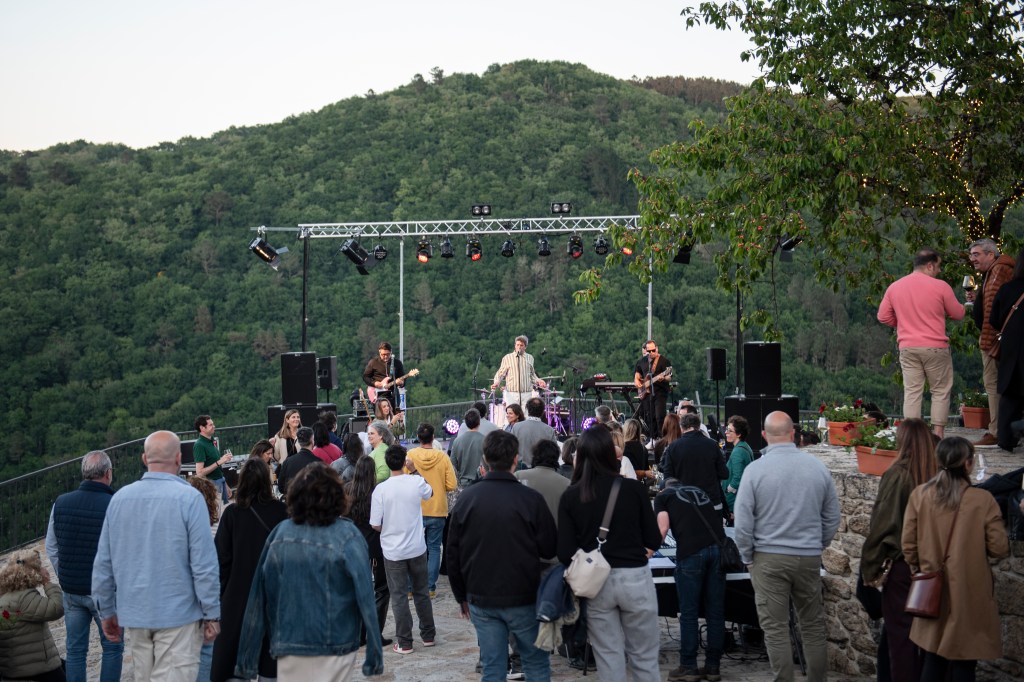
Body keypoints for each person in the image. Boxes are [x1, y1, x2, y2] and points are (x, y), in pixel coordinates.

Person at [92, 430, 220, 682]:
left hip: (136, 614)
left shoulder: (119, 499)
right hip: (179, 614)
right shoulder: (190, 499)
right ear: (178, 458)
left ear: (144, 458)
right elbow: (204, 565)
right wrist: (211, 612)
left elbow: (103, 564)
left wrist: (106, 611)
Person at [236, 464, 384, 681]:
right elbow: (365, 595)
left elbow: (259, 596)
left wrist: (247, 658)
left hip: (290, 640)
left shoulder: (281, 534)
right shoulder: (348, 535)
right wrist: (374, 652)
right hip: (337, 641)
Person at [733, 412, 840, 682]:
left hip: (768, 557)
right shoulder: (816, 468)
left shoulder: (755, 470)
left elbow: (743, 522)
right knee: (813, 625)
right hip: (807, 556)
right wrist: (818, 544)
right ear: (793, 434)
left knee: (775, 628)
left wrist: (748, 557)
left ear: (764, 435)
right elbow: (832, 516)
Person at [448, 430, 558, 682]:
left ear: (485, 458)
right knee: (536, 665)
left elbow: (453, 552)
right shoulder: (531, 499)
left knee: (492, 667)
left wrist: (460, 595)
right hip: (524, 594)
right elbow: (550, 548)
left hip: (481, 595)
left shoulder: (467, 499)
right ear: (515, 459)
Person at [557, 426, 662, 681]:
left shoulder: (571, 496)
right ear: (610, 454)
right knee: (645, 657)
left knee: (608, 657)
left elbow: (564, 552)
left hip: (596, 583)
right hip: (634, 575)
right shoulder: (633, 490)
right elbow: (652, 539)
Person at [902, 436, 1009, 681]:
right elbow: (999, 548)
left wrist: (922, 567)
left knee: (932, 659)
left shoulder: (920, 495)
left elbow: (908, 546)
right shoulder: (982, 501)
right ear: (968, 464)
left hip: (931, 590)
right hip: (970, 593)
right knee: (964, 663)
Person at [861, 418, 937, 682]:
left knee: (901, 644)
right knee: (927, 644)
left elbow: (883, 525)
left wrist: (869, 569)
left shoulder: (899, 474)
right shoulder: (938, 473)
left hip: (905, 567)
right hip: (936, 569)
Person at [44, 450, 123, 682]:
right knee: (113, 647)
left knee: (76, 651)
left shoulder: (61, 502)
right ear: (108, 474)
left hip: (72, 591)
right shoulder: (115, 504)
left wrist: (64, 575)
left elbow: (51, 546)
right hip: (106, 593)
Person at [211, 457, 289, 682]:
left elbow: (221, 561)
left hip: (239, 597)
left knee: (235, 663)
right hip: (273, 596)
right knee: (271, 664)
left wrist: (218, 599)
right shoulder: (282, 512)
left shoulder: (232, 514)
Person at [877, 248, 966, 437]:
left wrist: (903, 323)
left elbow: (883, 316)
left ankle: (913, 438)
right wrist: (967, 305)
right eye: (938, 266)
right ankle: (938, 435)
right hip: (935, 348)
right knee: (940, 391)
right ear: (930, 265)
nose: (939, 271)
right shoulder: (941, 286)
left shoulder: (895, 287)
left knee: (912, 392)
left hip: (908, 347)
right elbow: (957, 314)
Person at [655, 478, 726, 682]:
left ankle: (688, 666)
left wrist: (648, 551)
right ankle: (713, 667)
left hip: (691, 554)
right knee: (716, 613)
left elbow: (663, 529)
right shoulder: (699, 490)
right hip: (717, 551)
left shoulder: (663, 497)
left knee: (689, 613)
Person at [370, 444, 436, 654]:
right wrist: (414, 470)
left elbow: (375, 524)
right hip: (416, 547)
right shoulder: (416, 481)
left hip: (393, 550)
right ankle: (428, 635)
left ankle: (405, 641)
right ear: (404, 461)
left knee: (398, 595)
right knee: (421, 592)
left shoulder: (381, 489)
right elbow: (430, 492)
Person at [966, 238, 1016, 447]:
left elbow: (991, 313)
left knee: (993, 384)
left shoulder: (998, 271)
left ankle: (996, 430)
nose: (972, 259)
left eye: (976, 254)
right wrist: (978, 297)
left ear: (990, 254)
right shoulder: (996, 271)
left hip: (993, 340)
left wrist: (988, 341)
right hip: (1001, 339)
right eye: (971, 255)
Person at [344, 457, 392, 648]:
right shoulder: (377, 492)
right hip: (375, 546)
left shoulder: (348, 490)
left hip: (355, 546)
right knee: (381, 590)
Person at [406, 422, 457, 597]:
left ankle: (411, 588)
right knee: (434, 548)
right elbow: (452, 484)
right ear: (433, 438)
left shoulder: (410, 455)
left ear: (418, 438)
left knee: (413, 548)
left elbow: (404, 481)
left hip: (416, 509)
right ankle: (430, 587)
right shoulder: (442, 457)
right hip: (437, 509)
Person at [0, 550, 65, 682]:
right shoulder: (24, 597)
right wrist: (47, 582)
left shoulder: (5, 596)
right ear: (33, 572)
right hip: (36, 667)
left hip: (13, 668)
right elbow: (57, 608)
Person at [989, 247, 1024, 451]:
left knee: (1009, 396)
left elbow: (994, 320)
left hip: (1011, 349)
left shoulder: (1007, 289)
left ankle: (1006, 438)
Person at [189, 475, 221, 682]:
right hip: (208, 599)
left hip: (184, 600)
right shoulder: (216, 531)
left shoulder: (183, 530)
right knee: (207, 652)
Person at [663, 413, 728, 512]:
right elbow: (724, 473)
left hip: (684, 502)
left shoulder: (673, 447)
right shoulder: (712, 445)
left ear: (682, 427)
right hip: (711, 502)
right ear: (699, 426)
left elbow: (668, 478)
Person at [515, 439, 570, 533]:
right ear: (556, 457)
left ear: (535, 456)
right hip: (555, 538)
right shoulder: (567, 484)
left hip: (525, 536)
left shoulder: (519, 476)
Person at [491, 335, 547, 414]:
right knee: (511, 417)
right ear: (515, 345)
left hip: (526, 394)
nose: (519, 347)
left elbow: (532, 375)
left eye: (521, 345)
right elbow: (501, 373)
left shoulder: (530, 358)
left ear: (525, 347)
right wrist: (497, 382)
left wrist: (538, 381)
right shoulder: (507, 358)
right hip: (512, 394)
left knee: (526, 417)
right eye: (517, 345)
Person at [633, 339, 673, 438]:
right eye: (649, 351)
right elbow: (637, 375)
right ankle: (653, 438)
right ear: (646, 350)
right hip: (646, 394)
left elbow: (669, 377)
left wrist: (663, 377)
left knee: (660, 416)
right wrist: (637, 381)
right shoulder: (642, 361)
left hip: (660, 392)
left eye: (653, 350)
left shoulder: (664, 361)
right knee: (649, 417)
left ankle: (662, 438)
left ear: (657, 348)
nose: (651, 353)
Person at [193, 414, 233, 503]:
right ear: (202, 428)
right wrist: (219, 462)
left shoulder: (211, 441)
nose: (214, 426)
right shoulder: (199, 445)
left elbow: (218, 469)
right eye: (211, 425)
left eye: (213, 424)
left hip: (220, 482)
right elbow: (199, 473)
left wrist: (225, 484)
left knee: (221, 515)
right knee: (215, 515)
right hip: (211, 485)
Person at [721, 415, 753, 521]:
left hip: (733, 502)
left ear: (738, 434)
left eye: (730, 431)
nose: (726, 432)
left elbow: (737, 479)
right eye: (726, 429)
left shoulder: (738, 451)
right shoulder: (745, 446)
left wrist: (726, 490)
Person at [511, 397, 558, 468]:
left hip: (521, 469)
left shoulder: (516, 427)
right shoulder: (549, 430)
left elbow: (510, 449)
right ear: (542, 411)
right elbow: (554, 453)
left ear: (527, 409)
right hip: (541, 470)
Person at [276, 426, 319, 499]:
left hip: (293, 504)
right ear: (312, 440)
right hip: (312, 503)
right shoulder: (318, 462)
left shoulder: (288, 462)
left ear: (298, 441)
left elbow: (281, 487)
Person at [450, 408, 487, 488]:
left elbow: (453, 466)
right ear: (479, 421)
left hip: (463, 484)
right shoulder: (486, 440)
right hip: (481, 482)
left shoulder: (457, 441)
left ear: (466, 423)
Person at [363, 341, 406, 409]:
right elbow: (365, 377)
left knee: (394, 415)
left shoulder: (397, 363)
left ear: (391, 352)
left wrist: (401, 383)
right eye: (383, 354)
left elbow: (403, 379)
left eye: (388, 354)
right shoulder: (373, 362)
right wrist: (374, 383)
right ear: (379, 352)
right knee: (380, 417)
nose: (385, 356)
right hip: (378, 395)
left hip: (393, 395)